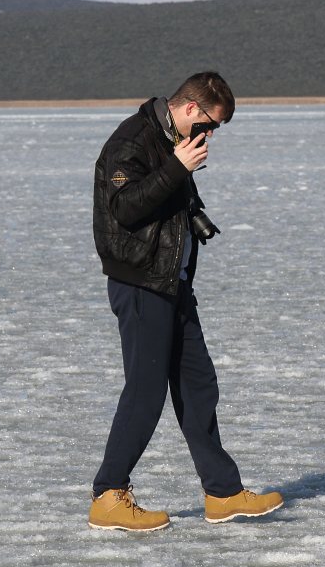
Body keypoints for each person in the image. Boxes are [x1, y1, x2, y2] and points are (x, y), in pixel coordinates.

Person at [89, 71, 283, 531]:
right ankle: (108, 494)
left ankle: (223, 492)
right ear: (190, 108)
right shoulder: (132, 141)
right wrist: (176, 168)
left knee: (198, 385)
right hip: (141, 284)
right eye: (209, 124)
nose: (210, 134)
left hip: (173, 284)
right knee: (145, 391)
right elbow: (125, 208)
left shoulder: (171, 139)